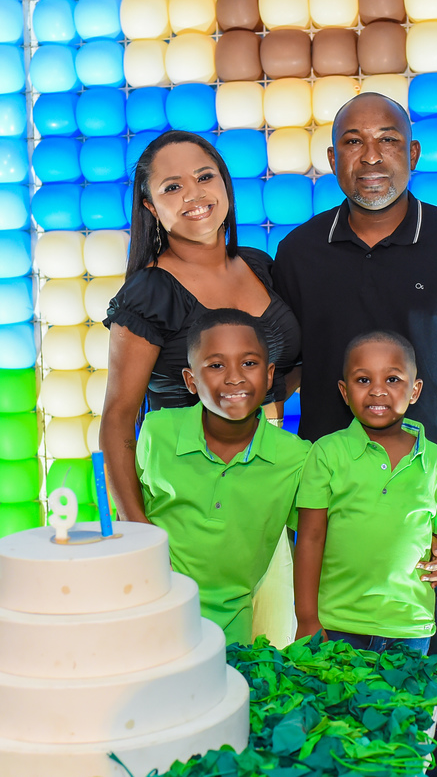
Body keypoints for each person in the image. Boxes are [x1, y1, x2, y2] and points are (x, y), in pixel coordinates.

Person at [273, 93, 437, 777]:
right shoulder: (298, 253)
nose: (371, 157)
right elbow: (278, 377)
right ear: (333, 158)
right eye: (353, 142)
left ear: (412, 153)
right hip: (333, 510)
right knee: (338, 684)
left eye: (387, 139)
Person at [100, 130, 301, 644]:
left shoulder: (260, 267)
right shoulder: (148, 292)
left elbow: (284, 370)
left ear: (226, 184)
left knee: (271, 654)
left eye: (205, 176)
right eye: (172, 187)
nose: (194, 194)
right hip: (190, 505)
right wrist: (138, 531)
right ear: (150, 207)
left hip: (266, 489)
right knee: (200, 656)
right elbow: (118, 418)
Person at [293, 331, 437, 661]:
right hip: (338, 625)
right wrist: (307, 617)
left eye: (392, 379)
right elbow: (310, 537)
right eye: (363, 379)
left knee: (407, 697)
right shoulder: (326, 453)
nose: (377, 390)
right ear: (344, 392)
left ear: (415, 390)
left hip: (409, 629)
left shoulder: (436, 462)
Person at [133, 309, 310, 645]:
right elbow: (127, 522)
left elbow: (327, 534)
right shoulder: (157, 431)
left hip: (231, 636)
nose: (234, 378)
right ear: (191, 380)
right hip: (147, 621)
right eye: (216, 365)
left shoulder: (296, 457)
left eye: (249, 363)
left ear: (269, 375)